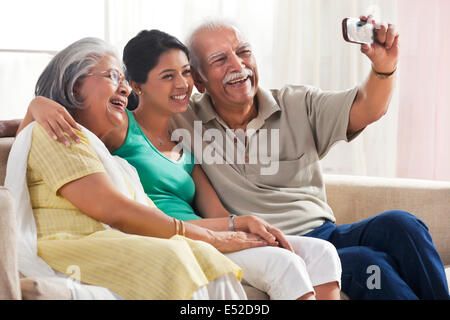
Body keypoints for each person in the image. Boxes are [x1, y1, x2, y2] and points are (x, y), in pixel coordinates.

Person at [19, 15, 449, 299]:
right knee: (370, 266)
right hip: (210, 236)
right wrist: (37, 104)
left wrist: (384, 68)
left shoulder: (292, 104)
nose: (237, 66)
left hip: (322, 228)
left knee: (401, 225)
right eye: (218, 61)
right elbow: (87, 107)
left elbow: (368, 108)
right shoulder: (161, 115)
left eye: (242, 52)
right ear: (204, 81)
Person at [8, 37, 256, 300]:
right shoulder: (55, 133)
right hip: (70, 248)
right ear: (73, 84)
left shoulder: (115, 162)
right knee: (173, 255)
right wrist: (208, 236)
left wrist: (217, 234)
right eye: (114, 76)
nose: (126, 89)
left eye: (124, 81)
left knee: (204, 255)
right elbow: (113, 209)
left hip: (113, 242)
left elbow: (146, 213)